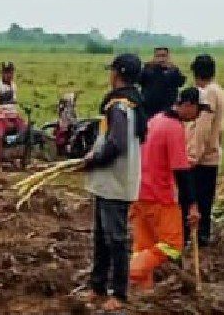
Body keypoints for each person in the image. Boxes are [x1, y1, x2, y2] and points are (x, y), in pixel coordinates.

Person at [81, 53, 146, 312]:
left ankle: (119, 293)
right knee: (101, 238)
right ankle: (97, 286)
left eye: (112, 71)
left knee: (115, 239)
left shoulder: (119, 107)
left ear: (118, 74)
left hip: (115, 183)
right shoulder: (132, 104)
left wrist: (93, 159)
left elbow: (116, 144)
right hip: (111, 183)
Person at [129, 88, 204, 290]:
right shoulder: (174, 128)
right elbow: (181, 171)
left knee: (144, 247)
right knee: (172, 246)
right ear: (188, 105)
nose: (198, 115)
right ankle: (129, 270)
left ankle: (143, 294)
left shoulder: (155, 120)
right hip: (160, 197)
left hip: (139, 193)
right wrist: (192, 205)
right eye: (198, 110)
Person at [183, 54, 224, 246]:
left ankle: (195, 236)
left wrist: (193, 155)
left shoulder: (206, 93)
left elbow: (202, 127)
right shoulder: (218, 90)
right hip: (212, 154)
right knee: (205, 199)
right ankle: (202, 235)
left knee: (194, 199)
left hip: (203, 157)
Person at [0, 62, 25, 173]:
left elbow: (14, 103)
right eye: (6, 72)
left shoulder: (13, 86)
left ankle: (18, 158)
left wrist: (17, 115)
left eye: (11, 72)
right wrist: (4, 119)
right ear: (2, 73)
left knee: (24, 131)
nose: (9, 75)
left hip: (12, 115)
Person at [139, 47, 186, 118]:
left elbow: (181, 83)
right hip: (149, 110)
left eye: (163, 56)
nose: (161, 59)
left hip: (167, 109)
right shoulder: (147, 69)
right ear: (154, 57)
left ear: (168, 57)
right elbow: (139, 81)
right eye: (158, 56)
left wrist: (170, 71)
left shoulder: (173, 70)